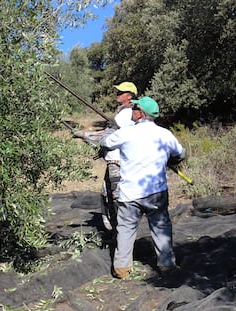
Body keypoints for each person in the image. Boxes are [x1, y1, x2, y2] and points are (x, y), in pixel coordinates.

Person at [99, 96, 185, 279]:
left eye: (134, 108)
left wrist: (111, 129)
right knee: (161, 228)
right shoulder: (165, 134)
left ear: (140, 114)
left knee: (125, 230)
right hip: (157, 192)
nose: (131, 111)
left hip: (130, 194)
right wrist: (170, 159)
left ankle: (122, 269)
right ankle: (167, 265)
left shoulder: (127, 133)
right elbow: (180, 154)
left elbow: (105, 143)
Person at [74, 82, 138, 232]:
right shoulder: (125, 113)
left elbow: (108, 135)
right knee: (106, 195)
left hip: (118, 163)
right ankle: (115, 231)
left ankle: (121, 233)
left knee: (116, 199)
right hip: (113, 161)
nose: (118, 94)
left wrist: (85, 135)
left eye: (121, 92)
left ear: (129, 96)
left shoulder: (126, 114)